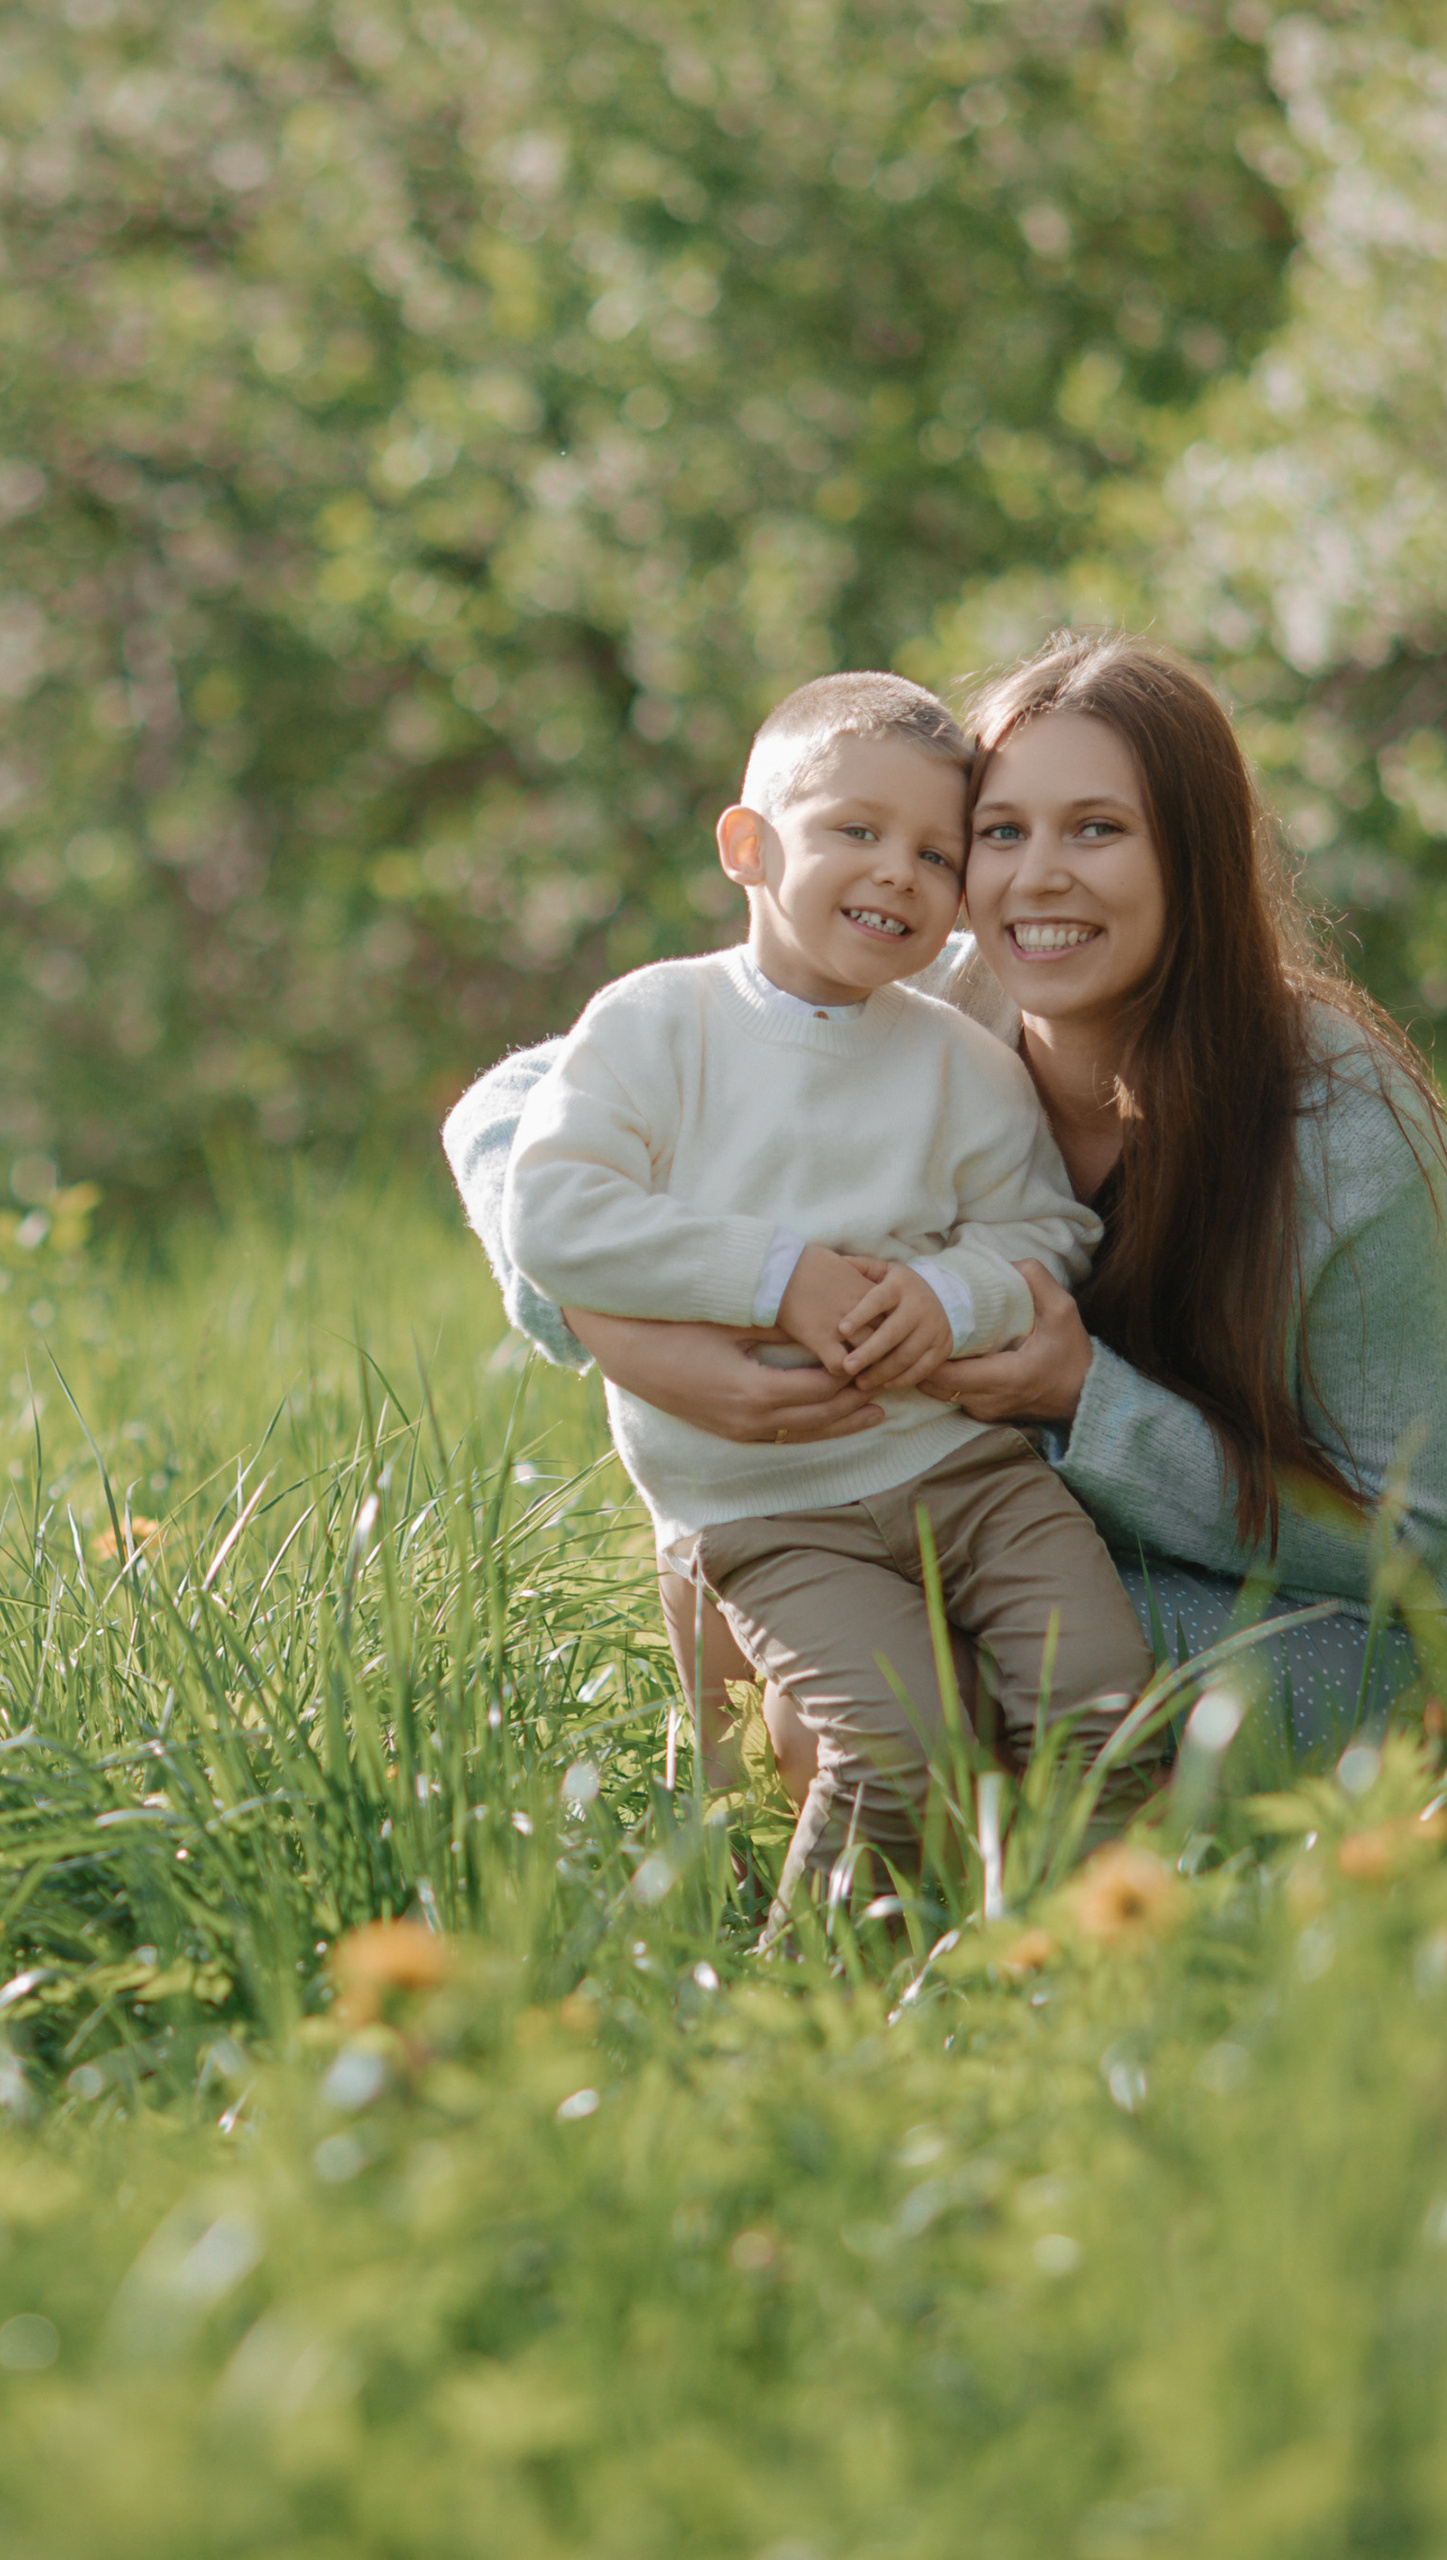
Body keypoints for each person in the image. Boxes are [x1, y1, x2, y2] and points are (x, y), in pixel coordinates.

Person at [447, 634, 1447, 1794]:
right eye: (1001, 832)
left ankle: (1087, 1891)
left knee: (927, 1738)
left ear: (1196, 857)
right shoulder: (928, 996)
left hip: (1358, 1626)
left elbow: (1403, 1541)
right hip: (1028, 1545)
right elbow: (509, 1110)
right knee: (849, 1715)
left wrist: (1082, 1400)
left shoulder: (1340, 1126)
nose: (1037, 878)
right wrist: (619, 1333)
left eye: (1097, 829)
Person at [500, 670, 1153, 1884]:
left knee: (1106, 1701)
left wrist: (950, 1300)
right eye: (857, 830)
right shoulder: (657, 1025)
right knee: (897, 1746)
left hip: (971, 1473)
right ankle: (820, 1975)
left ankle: (1082, 1946)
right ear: (748, 846)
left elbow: (1047, 1230)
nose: (898, 872)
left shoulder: (960, 1062)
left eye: (936, 853)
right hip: (768, 1505)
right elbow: (552, 1209)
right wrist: (776, 1274)